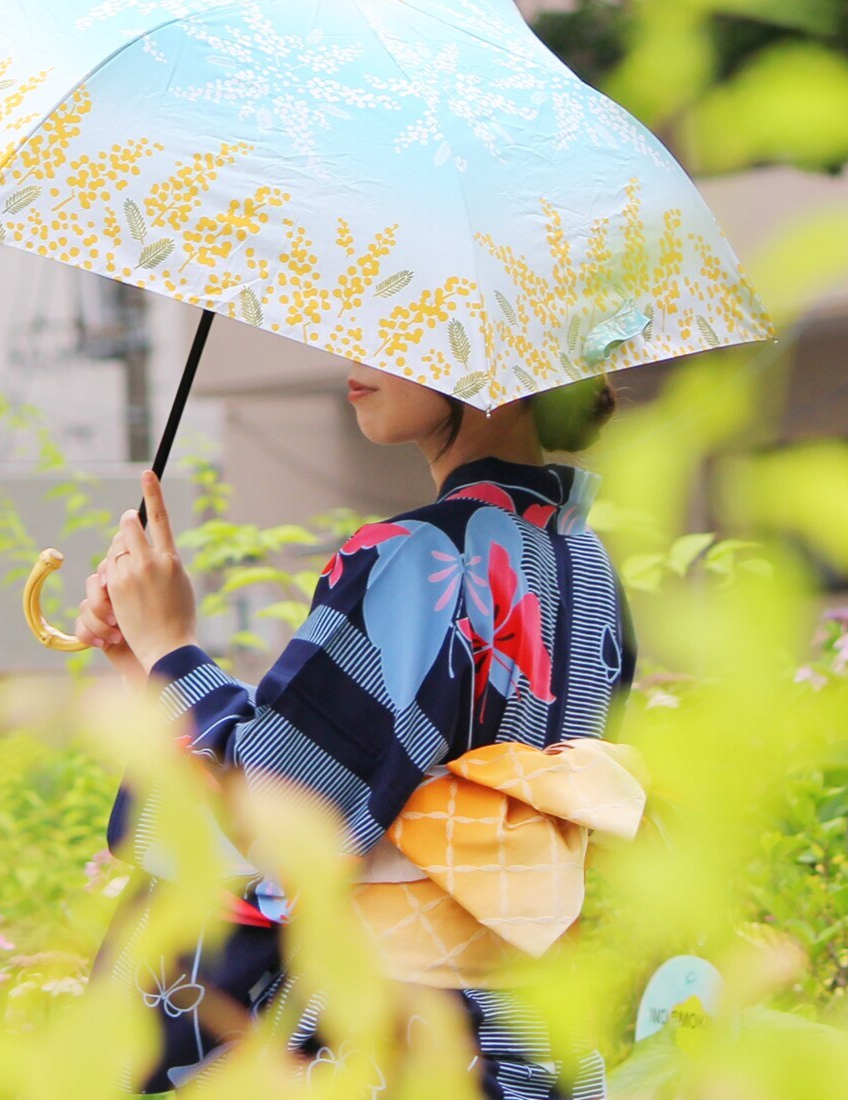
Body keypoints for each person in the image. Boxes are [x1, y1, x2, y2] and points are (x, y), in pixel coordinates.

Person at [76, 362, 636, 1098]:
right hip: (517, 1032)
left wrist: (171, 650)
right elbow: (357, 759)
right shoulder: (586, 562)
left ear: (493, 362)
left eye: (401, 333)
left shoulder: (417, 554)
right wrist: (141, 661)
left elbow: (277, 812)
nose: (357, 364)